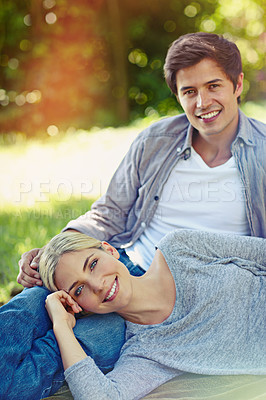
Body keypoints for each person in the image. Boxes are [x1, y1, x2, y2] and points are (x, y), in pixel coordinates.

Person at [0, 32, 265, 399]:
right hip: (121, 263)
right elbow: (109, 213)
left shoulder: (263, 153)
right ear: (178, 96)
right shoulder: (156, 140)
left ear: (238, 84)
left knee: (59, 353)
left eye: (213, 86)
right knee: (21, 312)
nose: (202, 102)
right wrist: (57, 250)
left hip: (196, 282)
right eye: (189, 91)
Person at [39, 229, 266, 400]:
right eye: (79, 290)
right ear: (79, 307)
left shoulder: (178, 248)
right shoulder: (146, 353)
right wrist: (61, 325)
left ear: (110, 250)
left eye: (93, 264)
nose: (97, 285)